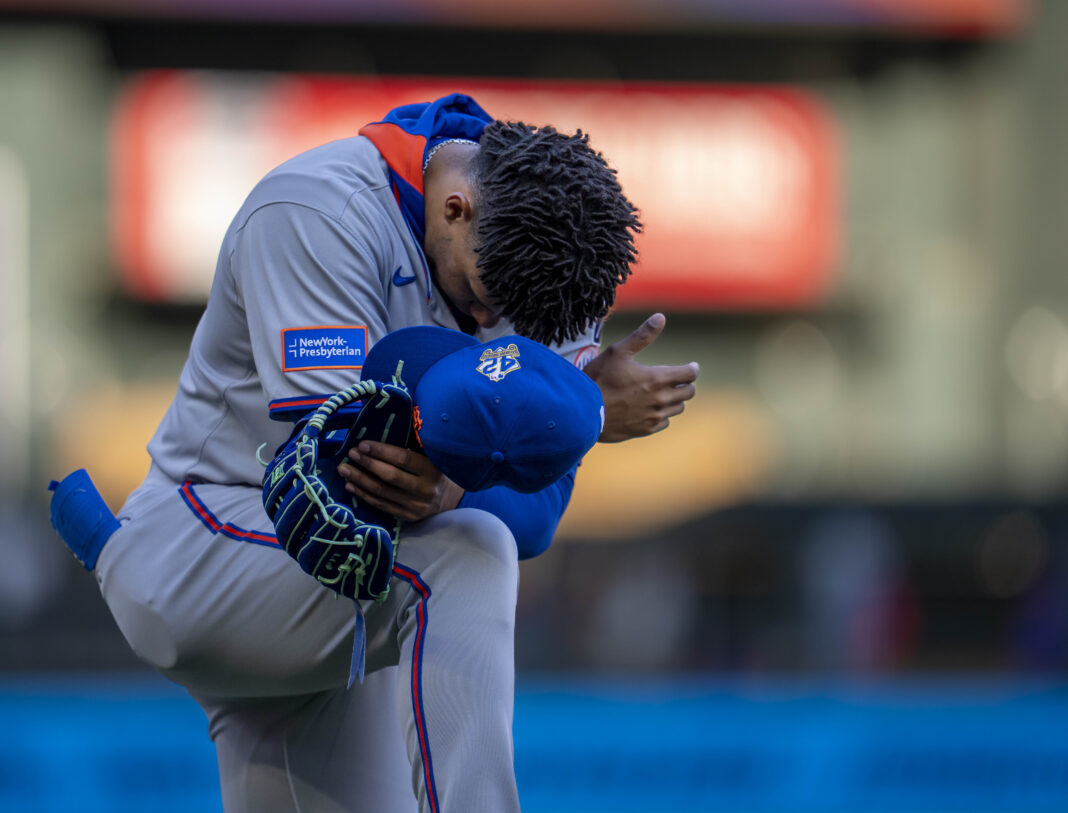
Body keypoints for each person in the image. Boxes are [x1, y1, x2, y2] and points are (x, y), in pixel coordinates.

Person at [64, 93, 698, 812]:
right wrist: (576, 411)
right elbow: (346, 477)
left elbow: (538, 514)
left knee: (471, 539)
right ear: (455, 208)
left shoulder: (544, 258)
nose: (489, 318)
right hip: (207, 541)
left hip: (334, 591)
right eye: (482, 296)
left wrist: (563, 421)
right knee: (468, 552)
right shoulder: (317, 211)